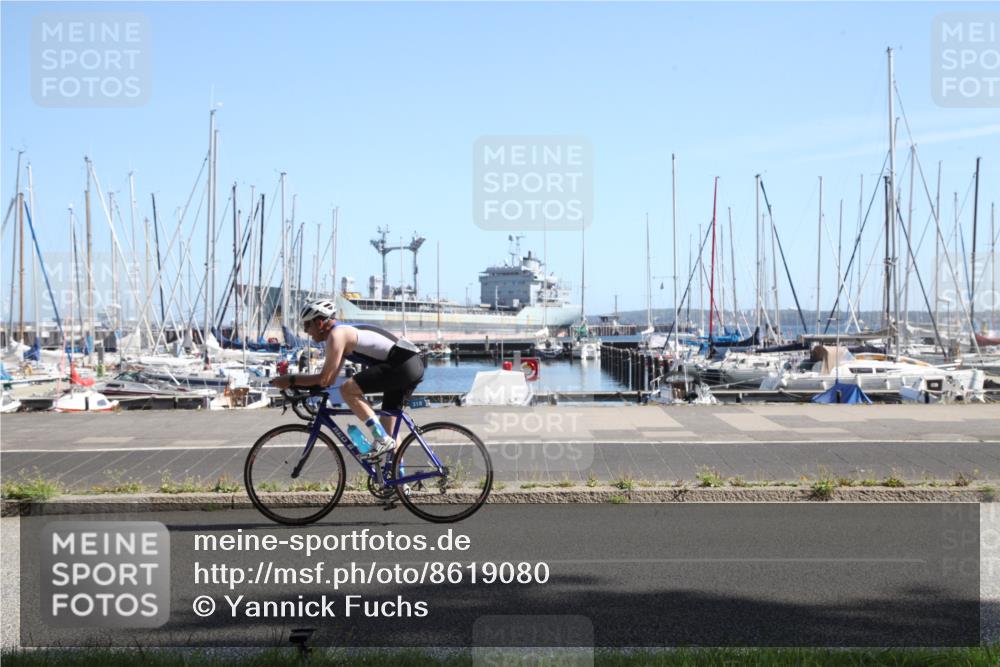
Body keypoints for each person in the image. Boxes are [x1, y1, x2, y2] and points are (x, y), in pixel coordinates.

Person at [269, 299, 424, 460]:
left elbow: (323, 379)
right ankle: (399, 483)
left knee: (347, 389)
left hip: (402, 365)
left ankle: (381, 439)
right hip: (408, 364)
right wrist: (301, 386)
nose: (306, 331)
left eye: (307, 325)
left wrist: (290, 379)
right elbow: (329, 380)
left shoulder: (337, 335)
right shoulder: (340, 334)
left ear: (320, 323)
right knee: (390, 429)